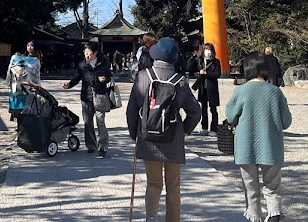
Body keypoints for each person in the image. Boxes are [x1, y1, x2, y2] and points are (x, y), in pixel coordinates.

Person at [126, 36, 201, 222]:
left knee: (153, 183)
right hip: (173, 138)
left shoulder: (143, 76)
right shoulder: (180, 81)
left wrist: (135, 133)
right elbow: (195, 111)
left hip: (148, 137)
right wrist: (184, 131)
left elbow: (132, 110)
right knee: (173, 186)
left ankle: (151, 217)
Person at [224, 51, 293, 222]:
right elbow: (286, 121)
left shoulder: (241, 91)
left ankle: (254, 215)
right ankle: (274, 212)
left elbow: (231, 116)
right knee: (272, 184)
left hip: (246, 146)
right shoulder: (275, 92)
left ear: (247, 69)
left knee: (251, 186)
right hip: (271, 146)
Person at [62, 42, 112, 157]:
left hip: (100, 96)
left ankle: (103, 147)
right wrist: (69, 85)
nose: (86, 55)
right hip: (86, 96)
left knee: (101, 122)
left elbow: (110, 76)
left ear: (95, 52)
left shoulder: (103, 62)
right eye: (85, 53)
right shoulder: (82, 65)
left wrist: (105, 79)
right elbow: (77, 78)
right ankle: (91, 145)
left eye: (89, 52)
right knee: (88, 122)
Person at [187, 42, 221, 135]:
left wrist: (207, 73)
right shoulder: (200, 60)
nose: (207, 51)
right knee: (203, 108)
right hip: (202, 87)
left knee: (213, 109)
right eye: (206, 49)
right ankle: (204, 127)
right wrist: (193, 58)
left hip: (212, 87)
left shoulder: (216, 61)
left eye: (209, 49)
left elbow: (217, 74)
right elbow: (191, 69)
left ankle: (214, 129)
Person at [6, 40, 41, 121]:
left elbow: (37, 73)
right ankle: (18, 120)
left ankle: (25, 121)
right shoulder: (19, 57)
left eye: (32, 45)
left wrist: (37, 85)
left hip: (29, 85)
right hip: (18, 84)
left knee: (27, 103)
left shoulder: (36, 59)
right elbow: (12, 67)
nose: (30, 47)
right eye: (28, 45)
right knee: (17, 102)